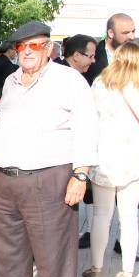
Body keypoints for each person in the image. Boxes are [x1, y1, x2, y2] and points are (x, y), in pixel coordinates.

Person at [0, 21, 98, 277]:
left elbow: (87, 127)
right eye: (22, 47)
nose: (28, 52)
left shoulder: (69, 81)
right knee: (9, 252)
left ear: (49, 48)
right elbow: (5, 124)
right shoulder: (11, 80)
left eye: (35, 46)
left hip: (49, 179)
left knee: (53, 257)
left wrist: (81, 174)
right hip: (5, 178)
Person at [81, 41, 139, 277]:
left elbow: (89, 122)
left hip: (104, 159)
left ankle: (96, 268)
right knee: (129, 218)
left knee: (101, 215)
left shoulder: (100, 85)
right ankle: (127, 272)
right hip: (134, 160)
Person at [58, 34, 98, 249]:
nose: (93, 61)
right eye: (90, 56)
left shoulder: (77, 77)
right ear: (75, 56)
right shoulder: (58, 78)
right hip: (56, 161)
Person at [84, 13, 135, 85]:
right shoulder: (92, 54)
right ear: (111, 33)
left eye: (133, 31)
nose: (132, 37)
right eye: (126, 33)